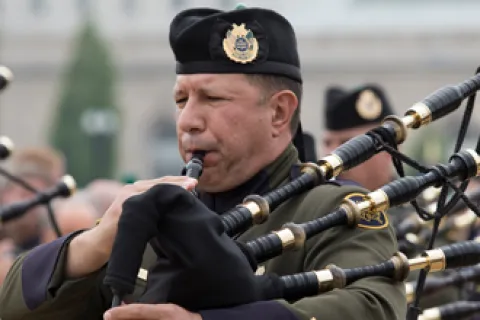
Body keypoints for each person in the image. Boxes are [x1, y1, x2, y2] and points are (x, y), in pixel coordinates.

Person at [0, 5, 405, 320]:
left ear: (279, 114)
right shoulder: (149, 217)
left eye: (213, 99)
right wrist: (94, 242)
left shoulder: (334, 211)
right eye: (181, 100)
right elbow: (13, 308)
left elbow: (373, 307)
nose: (188, 120)